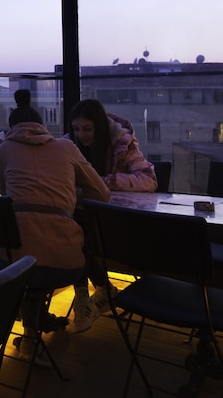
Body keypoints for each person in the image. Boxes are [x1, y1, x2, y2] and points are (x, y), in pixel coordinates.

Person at [0, 90, 110, 363]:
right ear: (43, 126)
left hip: (13, 263)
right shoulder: (67, 147)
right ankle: (39, 326)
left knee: (25, 264)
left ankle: (31, 335)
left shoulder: (4, 149)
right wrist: (66, 194)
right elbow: (102, 194)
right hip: (66, 264)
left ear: (10, 128)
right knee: (49, 256)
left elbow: (3, 191)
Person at [66, 97, 157, 333]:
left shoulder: (122, 144)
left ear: (99, 127)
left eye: (87, 129)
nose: (81, 135)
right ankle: (95, 293)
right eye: (76, 129)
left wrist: (102, 182)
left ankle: (91, 296)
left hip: (118, 225)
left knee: (77, 237)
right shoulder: (68, 146)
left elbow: (149, 180)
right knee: (75, 234)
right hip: (88, 220)